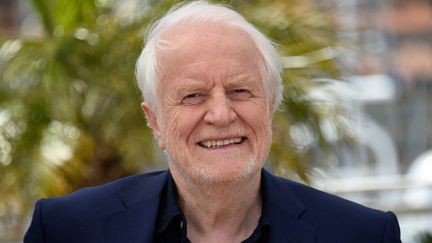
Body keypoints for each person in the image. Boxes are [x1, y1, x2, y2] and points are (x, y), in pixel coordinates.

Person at [24, 1, 402, 242]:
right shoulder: (65, 230)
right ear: (154, 121)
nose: (221, 114)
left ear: (271, 105)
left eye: (240, 91)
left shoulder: (363, 234)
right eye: (193, 96)